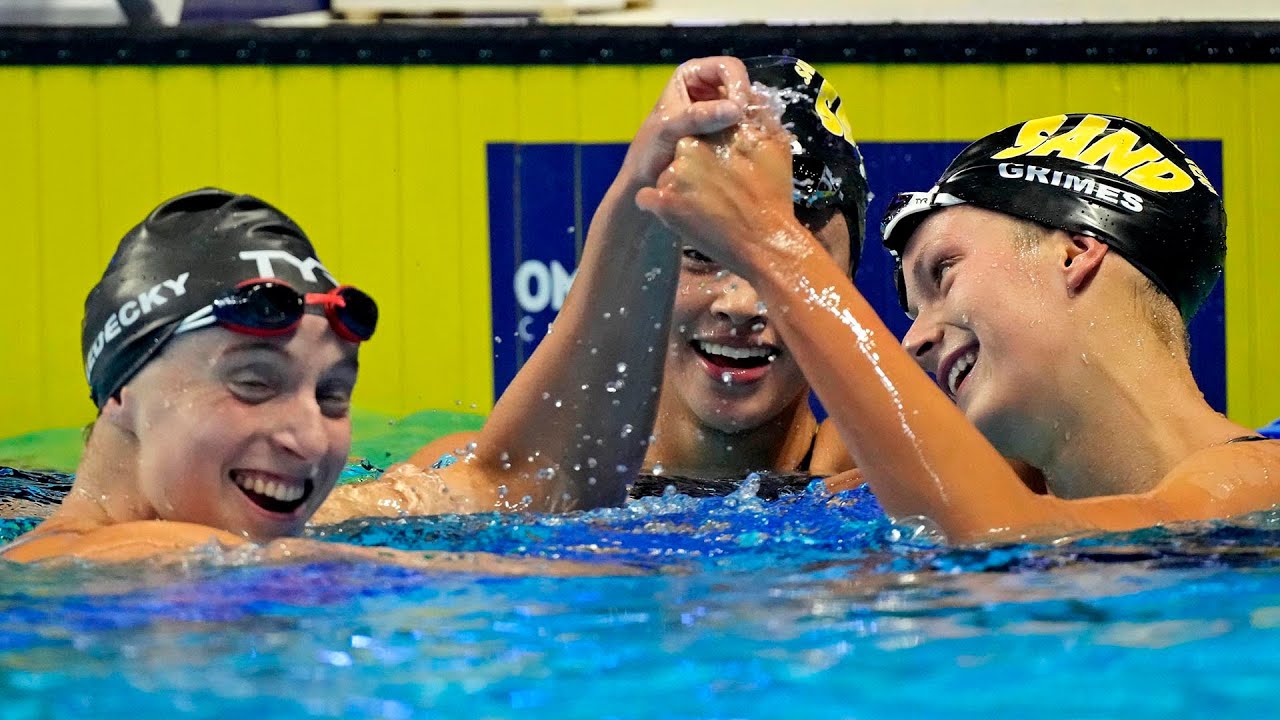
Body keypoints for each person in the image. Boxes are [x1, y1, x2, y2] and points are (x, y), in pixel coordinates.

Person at [636, 109, 1280, 542]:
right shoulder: (979, 481)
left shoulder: (1257, 482)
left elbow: (989, 533)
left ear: (1074, 254)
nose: (914, 339)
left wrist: (773, 247)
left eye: (942, 273)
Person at [0, 188, 624, 571]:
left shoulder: (319, 519)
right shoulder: (59, 568)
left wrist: (638, 203)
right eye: (253, 384)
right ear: (121, 390)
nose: (308, 438)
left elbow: (530, 482)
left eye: (332, 396)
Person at [405, 55, 869, 504]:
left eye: (790, 259)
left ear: (849, 282)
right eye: (701, 254)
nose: (742, 302)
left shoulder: (880, 490)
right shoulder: (483, 479)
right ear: (648, 269)